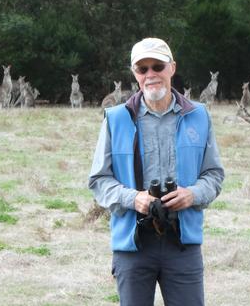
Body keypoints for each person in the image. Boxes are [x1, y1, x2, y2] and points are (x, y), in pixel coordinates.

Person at [88, 37, 225, 306]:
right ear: (135, 75)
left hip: (182, 242)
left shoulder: (199, 115)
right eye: (142, 69)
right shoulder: (116, 118)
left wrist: (192, 195)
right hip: (132, 244)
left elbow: (214, 174)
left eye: (157, 66)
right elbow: (99, 180)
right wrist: (133, 199)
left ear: (172, 68)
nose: (151, 74)